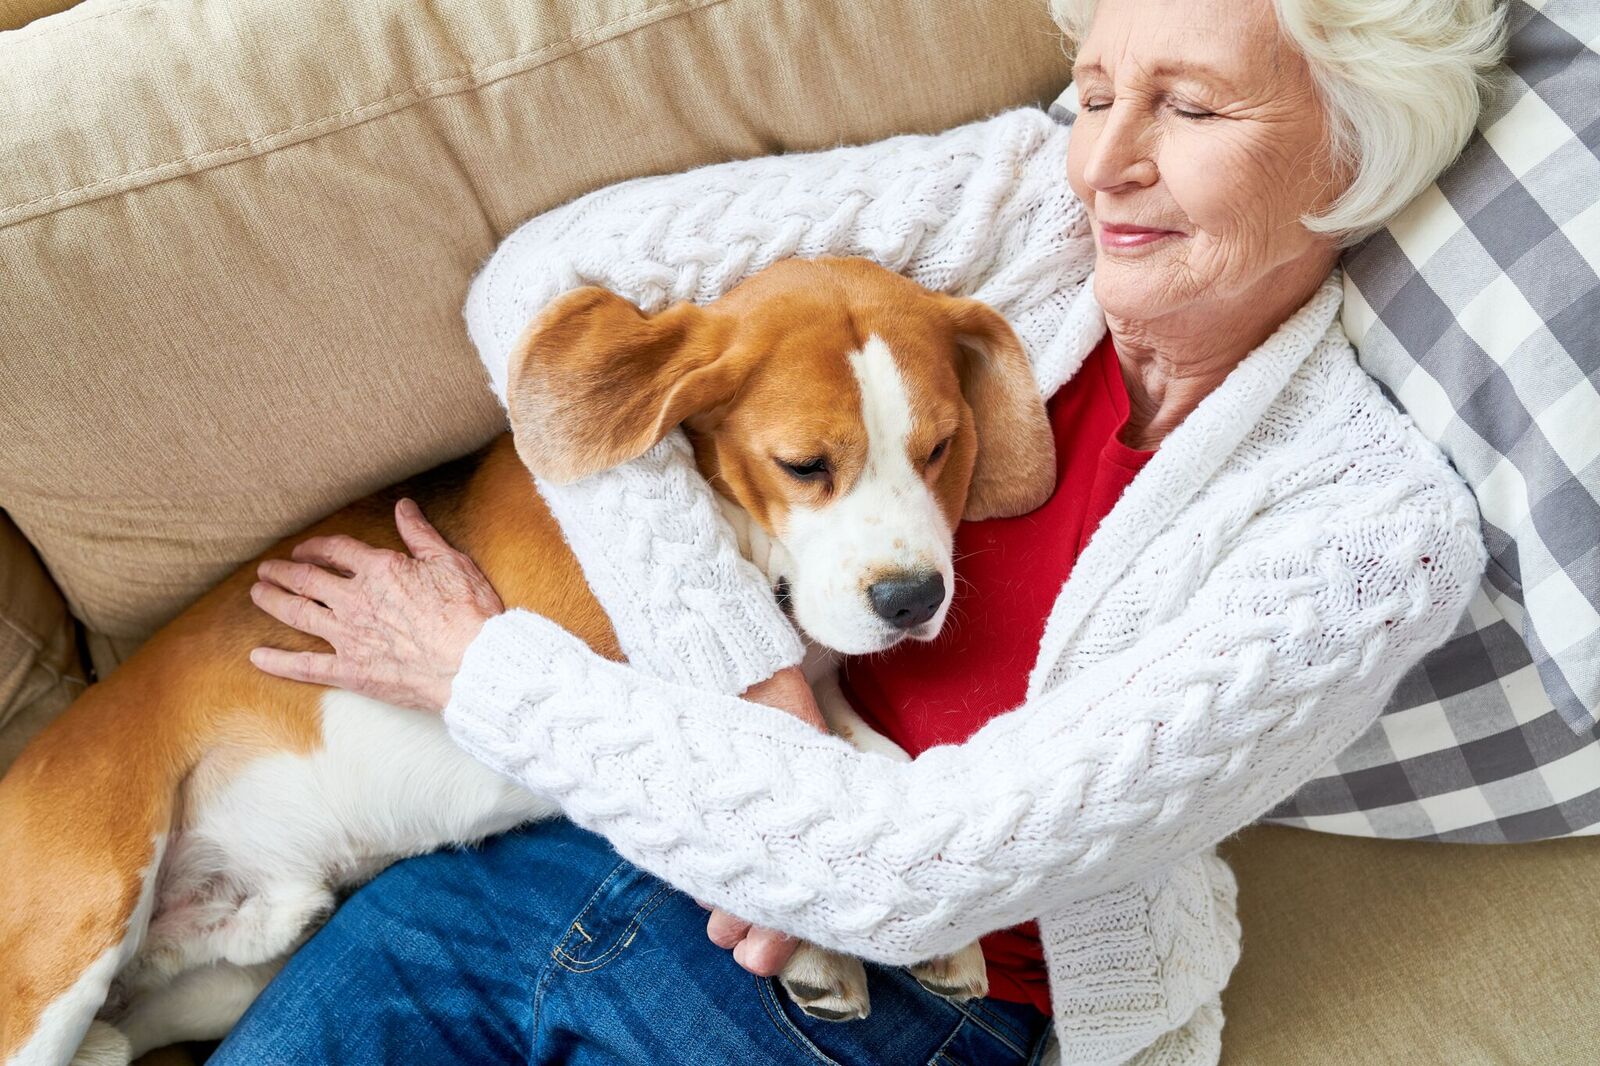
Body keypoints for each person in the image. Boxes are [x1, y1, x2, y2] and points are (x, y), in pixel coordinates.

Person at [217, 0, 1504, 1062]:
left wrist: (485, 672)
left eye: (1189, 105)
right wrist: (755, 688)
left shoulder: (1370, 537)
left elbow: (921, 870)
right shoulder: (1019, 209)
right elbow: (546, 293)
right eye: (1100, 91)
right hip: (572, 841)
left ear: (1354, 149)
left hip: (899, 999)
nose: (1101, 159)